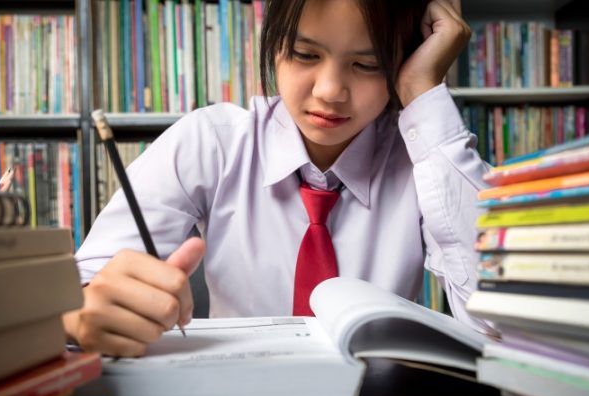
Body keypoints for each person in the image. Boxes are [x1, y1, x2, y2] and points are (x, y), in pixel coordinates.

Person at [66, 0, 490, 357]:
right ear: (273, 49)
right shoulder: (212, 141)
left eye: (368, 64)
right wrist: (89, 309)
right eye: (306, 55)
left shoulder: (426, 159)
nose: (330, 90)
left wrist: (424, 91)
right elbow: (84, 288)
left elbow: (495, 320)